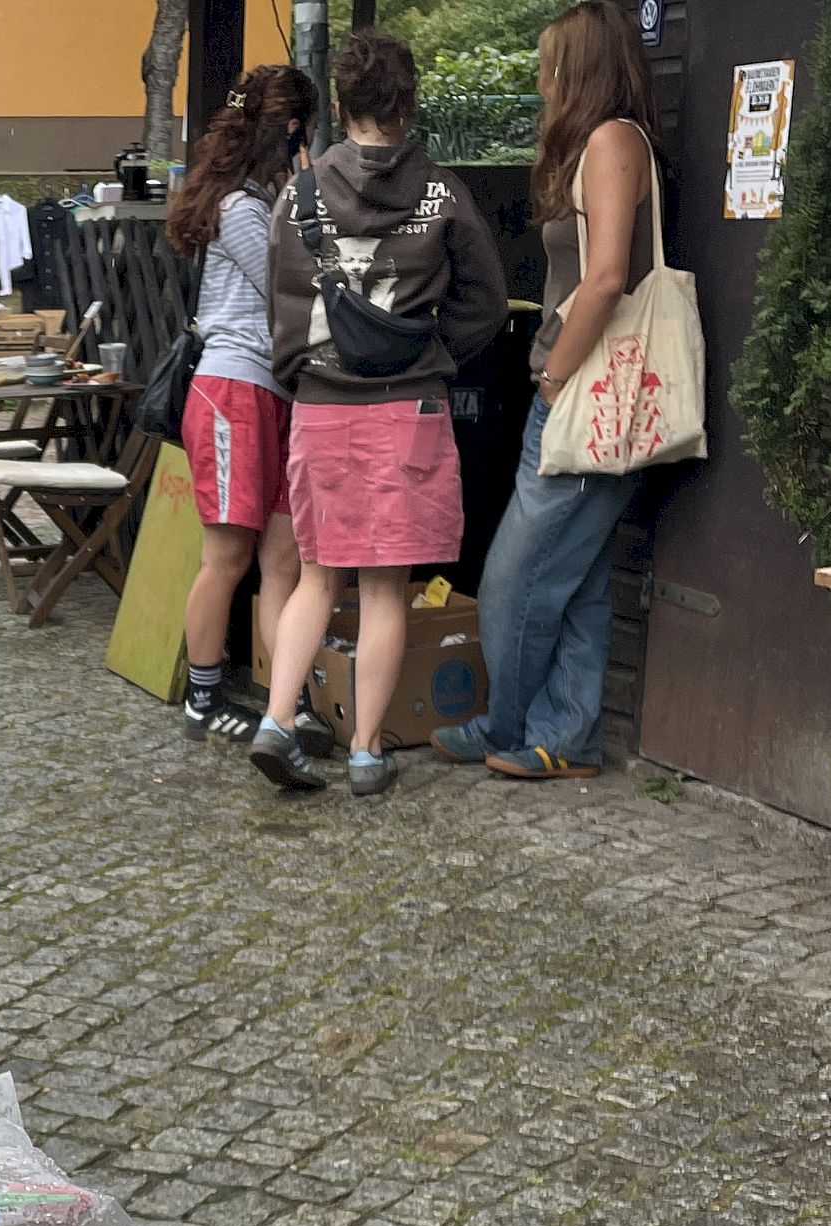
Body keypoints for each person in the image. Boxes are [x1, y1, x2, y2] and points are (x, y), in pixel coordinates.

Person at [251, 29, 507, 797]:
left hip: (322, 407)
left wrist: (314, 371)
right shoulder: (441, 193)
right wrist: (431, 352)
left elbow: (279, 306)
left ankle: (276, 719)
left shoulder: (298, 196)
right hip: (408, 409)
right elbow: (487, 303)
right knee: (387, 588)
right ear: (410, 103)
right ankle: (366, 750)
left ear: (338, 101)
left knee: (315, 577)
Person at [430, 2, 657, 781]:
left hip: (585, 395)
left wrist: (556, 373)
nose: (540, 78)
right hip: (578, 395)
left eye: (551, 62)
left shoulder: (609, 141)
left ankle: (508, 721)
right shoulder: (603, 143)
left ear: (582, 66)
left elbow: (607, 276)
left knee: (512, 576)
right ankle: (571, 736)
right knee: (581, 583)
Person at [162, 63, 330, 748]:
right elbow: (293, 289)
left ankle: (281, 704)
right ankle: (203, 699)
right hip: (234, 390)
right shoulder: (242, 208)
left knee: (282, 559)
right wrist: (308, 199)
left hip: (277, 391)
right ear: (291, 129)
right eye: (307, 130)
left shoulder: (260, 200)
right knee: (227, 557)